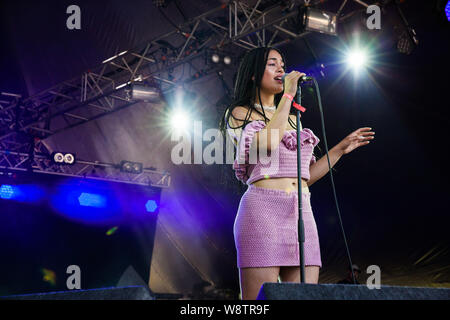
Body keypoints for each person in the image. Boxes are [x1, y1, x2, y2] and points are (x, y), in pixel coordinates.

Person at [218, 47, 375, 300]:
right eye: (272, 64)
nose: (281, 69)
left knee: (303, 297)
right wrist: (289, 94)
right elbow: (266, 143)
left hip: (301, 211)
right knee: (260, 302)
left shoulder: (293, 119)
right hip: (262, 212)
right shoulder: (239, 113)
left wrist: (339, 150)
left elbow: (305, 176)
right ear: (254, 75)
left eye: (283, 63)